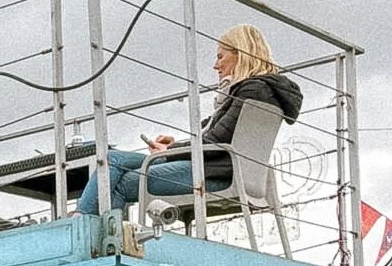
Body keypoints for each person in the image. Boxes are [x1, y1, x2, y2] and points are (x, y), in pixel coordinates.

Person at [75, 24, 303, 217]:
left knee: (121, 182)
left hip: (214, 172)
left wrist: (170, 150)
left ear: (241, 54)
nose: (216, 65)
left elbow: (216, 140)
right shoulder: (263, 93)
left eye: (220, 56)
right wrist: (171, 147)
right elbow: (219, 137)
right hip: (216, 166)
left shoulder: (251, 90)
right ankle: (87, 225)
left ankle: (82, 229)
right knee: (113, 160)